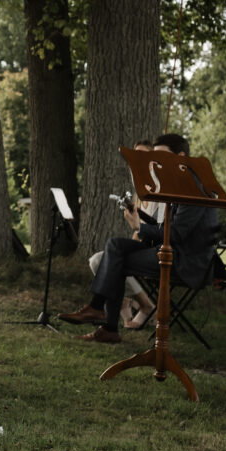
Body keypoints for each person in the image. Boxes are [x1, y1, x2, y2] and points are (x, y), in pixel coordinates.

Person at [59, 133, 219, 343]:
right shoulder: (179, 182)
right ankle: (99, 311)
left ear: (180, 156)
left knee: (118, 259)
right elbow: (168, 228)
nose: (157, 163)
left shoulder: (194, 187)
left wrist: (140, 227)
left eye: (162, 157)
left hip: (187, 261)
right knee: (115, 245)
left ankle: (106, 324)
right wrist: (141, 220)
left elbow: (177, 234)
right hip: (171, 250)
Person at [86, 139, 157, 329]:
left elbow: (154, 230)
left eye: (143, 154)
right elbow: (138, 233)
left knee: (110, 257)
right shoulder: (139, 191)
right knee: (97, 260)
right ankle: (142, 304)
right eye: (136, 154)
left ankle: (136, 306)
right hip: (143, 246)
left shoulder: (158, 190)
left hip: (156, 250)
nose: (138, 159)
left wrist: (137, 228)